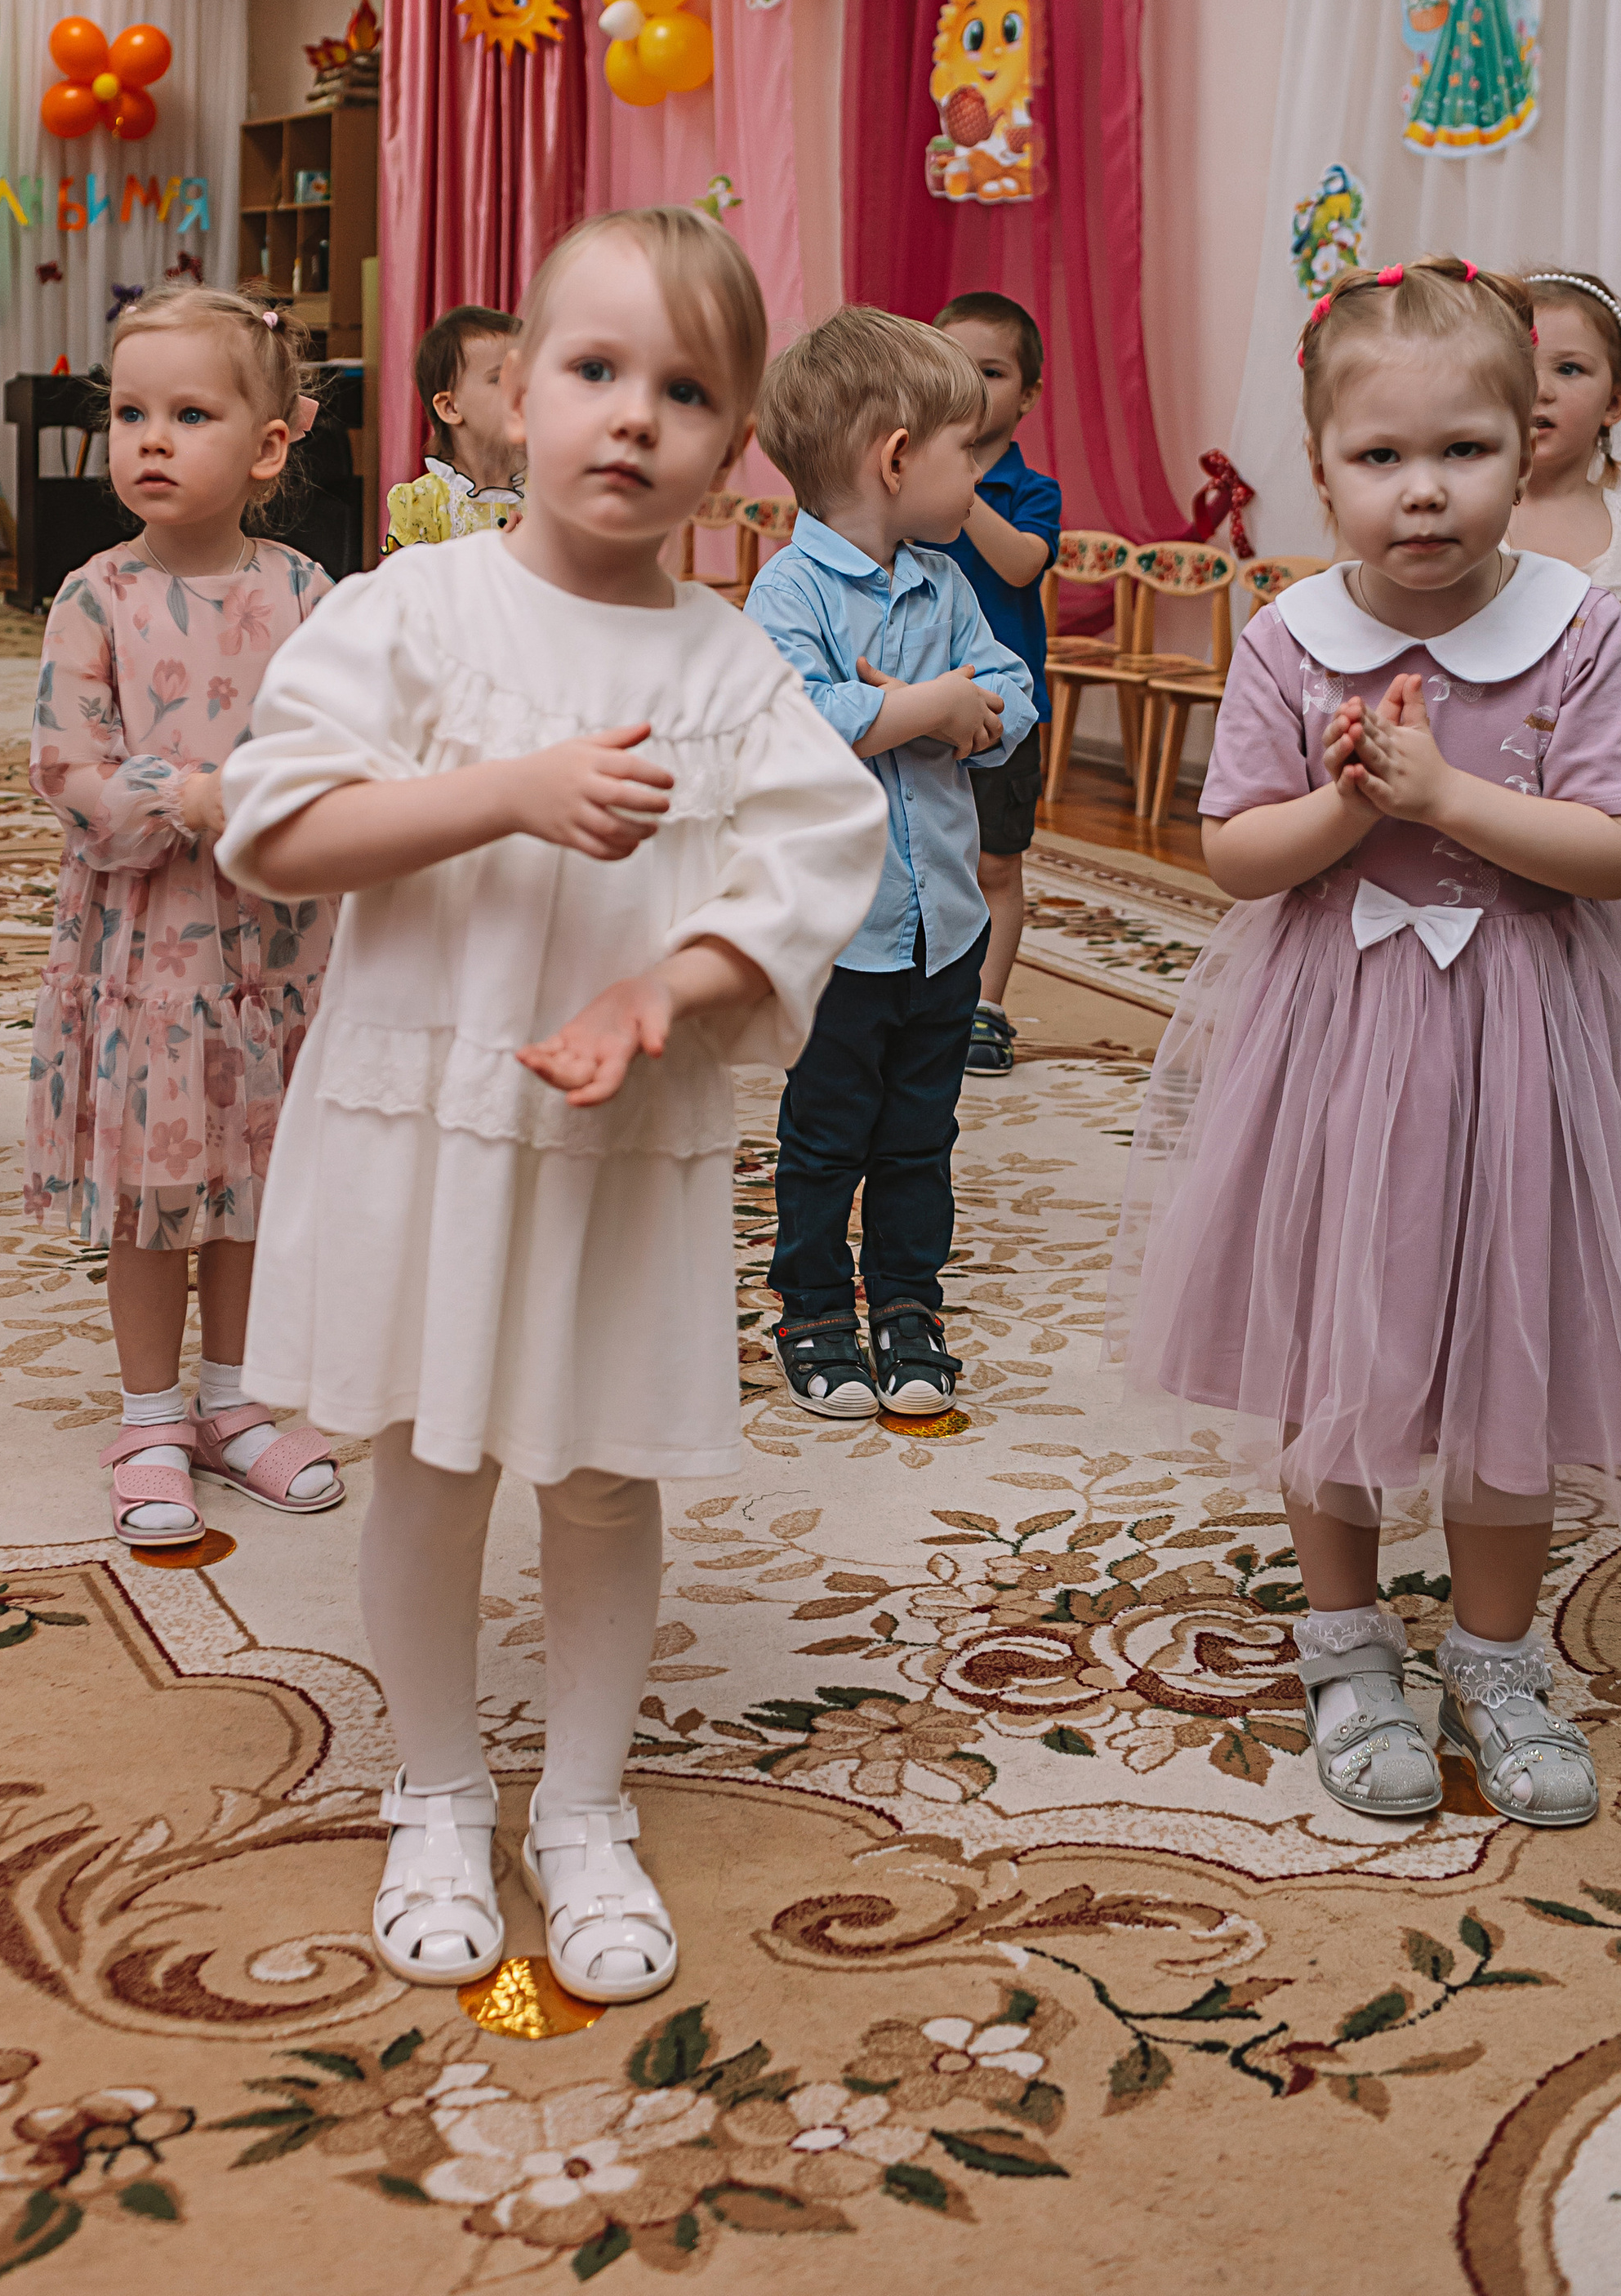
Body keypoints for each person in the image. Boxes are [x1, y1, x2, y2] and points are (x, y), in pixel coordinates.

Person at [216, 209, 884, 2003]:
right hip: (424, 1121)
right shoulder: (413, 609)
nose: (629, 419)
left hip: (610, 1147)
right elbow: (275, 826)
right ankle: (435, 1792)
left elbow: (821, 860)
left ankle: (582, 1808)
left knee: (597, 1482)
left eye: (684, 391)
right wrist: (505, 790)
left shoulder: (732, 665)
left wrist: (665, 989)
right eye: (593, 371)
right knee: (427, 1470)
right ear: (510, 395)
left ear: (732, 448)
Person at [1111, 256, 1621, 1830]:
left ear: (1533, 442)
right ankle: (1347, 1645)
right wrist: (1346, 805)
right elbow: (1233, 855)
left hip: (1523, 1036)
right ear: (1321, 461)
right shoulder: (1290, 638)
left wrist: (1443, 799)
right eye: (1380, 459)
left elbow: (1615, 852)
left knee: (1512, 1347)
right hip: (1338, 1037)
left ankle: (1494, 1659)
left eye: (1465, 451)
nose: (1424, 493)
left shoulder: (1582, 629)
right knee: (1333, 1341)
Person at [26, 286, 345, 1545]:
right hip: (150, 953)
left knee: (258, 1178)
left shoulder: (313, 593)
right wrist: (190, 794)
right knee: (161, 1185)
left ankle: (237, 1399)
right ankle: (152, 1411)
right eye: (131, 413)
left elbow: (339, 751)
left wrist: (262, 797)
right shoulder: (95, 596)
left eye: (191, 413)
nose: (150, 439)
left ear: (271, 445)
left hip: (277, 946)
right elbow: (69, 770)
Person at [746, 310, 1038, 1423]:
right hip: (840, 931)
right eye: (968, 451)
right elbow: (794, 720)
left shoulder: (946, 586)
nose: (980, 472)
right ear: (898, 457)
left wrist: (955, 711)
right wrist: (924, 707)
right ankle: (815, 1307)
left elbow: (1013, 696)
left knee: (921, 1131)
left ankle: (909, 1304)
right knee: (825, 1136)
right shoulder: (790, 594)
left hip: (947, 925)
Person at [933, 292, 1059, 1073]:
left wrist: (960, 488)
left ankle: (985, 1005)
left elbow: (1019, 563)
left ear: (1029, 394)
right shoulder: (901, 476)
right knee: (913, 853)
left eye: (991, 371)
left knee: (996, 863)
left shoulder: (1030, 491)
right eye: (954, 369)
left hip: (1004, 710)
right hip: (917, 703)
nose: (972, 388)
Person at [1507, 267, 1621, 662]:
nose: (1540, 390)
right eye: (1520, 366)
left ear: (1614, 403)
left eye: (1569, 369)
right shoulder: (1460, 520)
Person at [384, 303, 523, 547]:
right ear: (450, 408)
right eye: (499, 378)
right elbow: (408, 584)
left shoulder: (551, 494)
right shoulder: (422, 504)